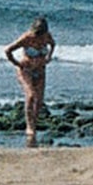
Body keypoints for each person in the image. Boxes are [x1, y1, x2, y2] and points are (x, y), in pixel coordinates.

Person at [5, 17, 56, 147]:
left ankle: (34, 122)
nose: (38, 36)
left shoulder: (47, 37)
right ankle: (29, 126)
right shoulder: (27, 38)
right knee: (31, 96)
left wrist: (49, 57)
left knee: (39, 100)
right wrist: (17, 63)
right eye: (37, 32)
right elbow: (8, 50)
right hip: (25, 70)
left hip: (40, 70)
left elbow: (53, 44)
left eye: (40, 33)